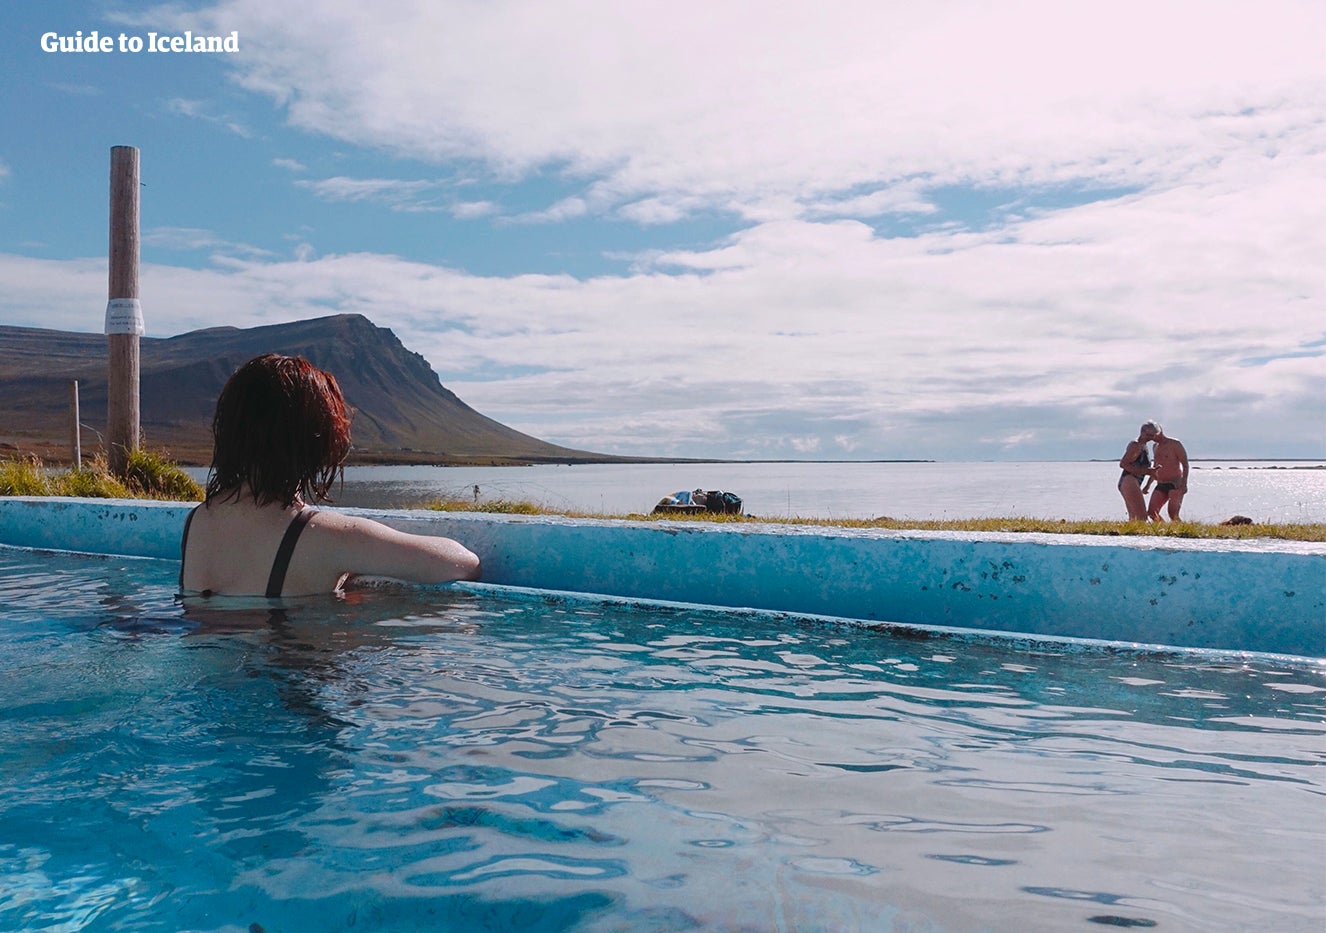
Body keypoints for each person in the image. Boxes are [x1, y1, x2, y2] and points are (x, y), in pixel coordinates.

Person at [179, 354, 480, 597]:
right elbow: (461, 562)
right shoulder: (328, 538)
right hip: (287, 670)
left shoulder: (198, 522)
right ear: (318, 442)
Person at [1146, 422, 1189, 522]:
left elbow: (1185, 465)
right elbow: (1155, 467)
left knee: (1173, 514)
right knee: (1152, 512)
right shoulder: (1155, 447)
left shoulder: (1175, 444)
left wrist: (1184, 484)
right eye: (1149, 436)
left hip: (1175, 483)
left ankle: (1181, 532)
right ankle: (1163, 530)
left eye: (1153, 435)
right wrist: (1148, 485)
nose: (1152, 438)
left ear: (1159, 431)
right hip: (1161, 483)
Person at [1117, 422, 1157, 521]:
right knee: (1141, 516)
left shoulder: (1144, 446)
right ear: (1142, 432)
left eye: (1152, 435)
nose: (1150, 437)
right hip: (1129, 480)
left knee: (1135, 517)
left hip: (1135, 480)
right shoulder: (1136, 445)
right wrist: (1145, 471)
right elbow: (1123, 464)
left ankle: (1130, 534)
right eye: (1148, 435)